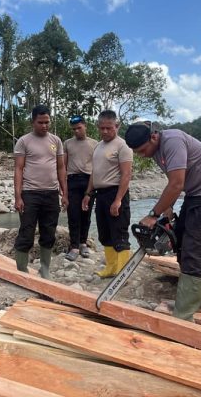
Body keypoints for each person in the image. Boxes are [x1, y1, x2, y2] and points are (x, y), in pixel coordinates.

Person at [125, 123, 201, 322]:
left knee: (195, 252)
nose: (141, 155)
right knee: (181, 245)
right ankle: (196, 302)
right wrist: (167, 210)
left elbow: (177, 183)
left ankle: (183, 316)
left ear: (154, 137)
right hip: (196, 195)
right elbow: (173, 181)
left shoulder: (173, 141)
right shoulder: (156, 150)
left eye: (142, 150)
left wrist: (153, 215)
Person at [13, 105, 68, 278]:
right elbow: (18, 169)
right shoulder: (24, 141)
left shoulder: (56, 141)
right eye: (40, 122)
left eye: (47, 122)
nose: (44, 126)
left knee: (49, 232)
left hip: (51, 194)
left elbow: (60, 168)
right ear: (33, 122)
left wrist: (64, 193)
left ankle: (45, 268)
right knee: (26, 232)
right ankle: (21, 269)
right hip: (30, 193)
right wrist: (18, 196)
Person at [81, 110, 133, 277]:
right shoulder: (98, 146)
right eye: (102, 128)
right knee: (105, 233)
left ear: (116, 126)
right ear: (98, 126)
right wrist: (88, 194)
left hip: (116, 193)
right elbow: (94, 173)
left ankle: (123, 272)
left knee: (119, 233)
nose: (105, 131)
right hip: (100, 194)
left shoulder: (122, 146)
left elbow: (126, 175)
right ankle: (111, 267)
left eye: (109, 128)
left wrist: (118, 200)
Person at [63, 115, 97, 261]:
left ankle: (83, 243)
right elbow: (63, 166)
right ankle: (74, 246)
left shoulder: (95, 144)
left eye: (79, 128)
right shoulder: (67, 143)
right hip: (72, 180)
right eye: (74, 129)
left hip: (89, 180)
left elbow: (97, 167)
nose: (76, 131)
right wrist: (63, 189)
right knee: (73, 214)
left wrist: (91, 189)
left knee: (86, 214)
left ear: (85, 126)